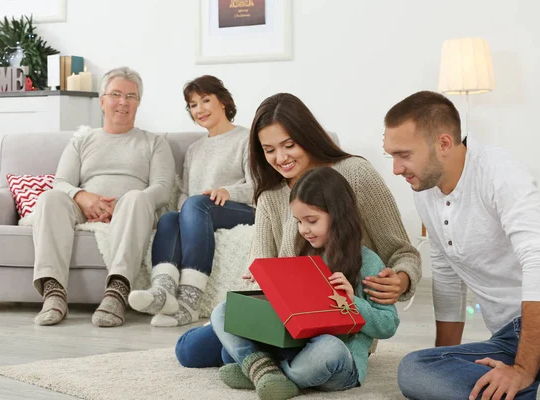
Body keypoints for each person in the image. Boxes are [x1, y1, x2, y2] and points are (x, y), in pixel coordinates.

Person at [174, 93, 421, 367]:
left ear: (307, 136)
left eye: (289, 145)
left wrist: (401, 280)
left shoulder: (355, 173)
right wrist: (259, 286)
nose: (280, 158)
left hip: (339, 323)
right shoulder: (270, 195)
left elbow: (403, 252)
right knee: (189, 350)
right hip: (283, 316)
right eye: (269, 150)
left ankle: (257, 360)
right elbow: (258, 268)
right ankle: (258, 359)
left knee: (227, 352)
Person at [383, 91, 540, 400]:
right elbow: (447, 275)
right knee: (416, 370)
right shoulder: (424, 189)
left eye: (404, 155)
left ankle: (527, 381)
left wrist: (523, 369)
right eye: (391, 155)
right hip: (509, 337)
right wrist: (444, 359)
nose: (395, 168)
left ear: (444, 143)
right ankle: (537, 391)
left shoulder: (499, 171)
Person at [211, 166, 400, 399]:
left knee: (329, 347)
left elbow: (388, 324)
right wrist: (270, 286)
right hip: (294, 350)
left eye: (311, 220)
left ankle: (262, 372)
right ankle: (267, 372)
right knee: (223, 311)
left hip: (341, 361)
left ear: (339, 215)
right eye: (299, 222)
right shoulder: (304, 257)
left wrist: (353, 303)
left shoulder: (369, 263)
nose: (304, 230)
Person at [32, 66, 175, 327]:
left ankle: (117, 292)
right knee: (50, 198)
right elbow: (60, 182)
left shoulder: (154, 142)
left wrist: (121, 204)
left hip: (132, 209)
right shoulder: (82, 141)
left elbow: (163, 188)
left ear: (138, 103)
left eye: (131, 97)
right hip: (85, 207)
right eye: (116, 94)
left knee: (135, 198)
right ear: (102, 101)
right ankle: (53, 293)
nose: (123, 102)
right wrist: (84, 197)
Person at [128, 75, 255, 327]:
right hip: (200, 210)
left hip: (241, 209)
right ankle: (162, 292)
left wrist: (228, 192)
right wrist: (183, 205)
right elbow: (186, 191)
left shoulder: (247, 139)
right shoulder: (195, 149)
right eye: (193, 105)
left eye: (205, 100)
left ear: (223, 102)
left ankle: (188, 302)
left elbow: (259, 186)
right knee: (169, 218)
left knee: (196, 204)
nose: (199, 109)